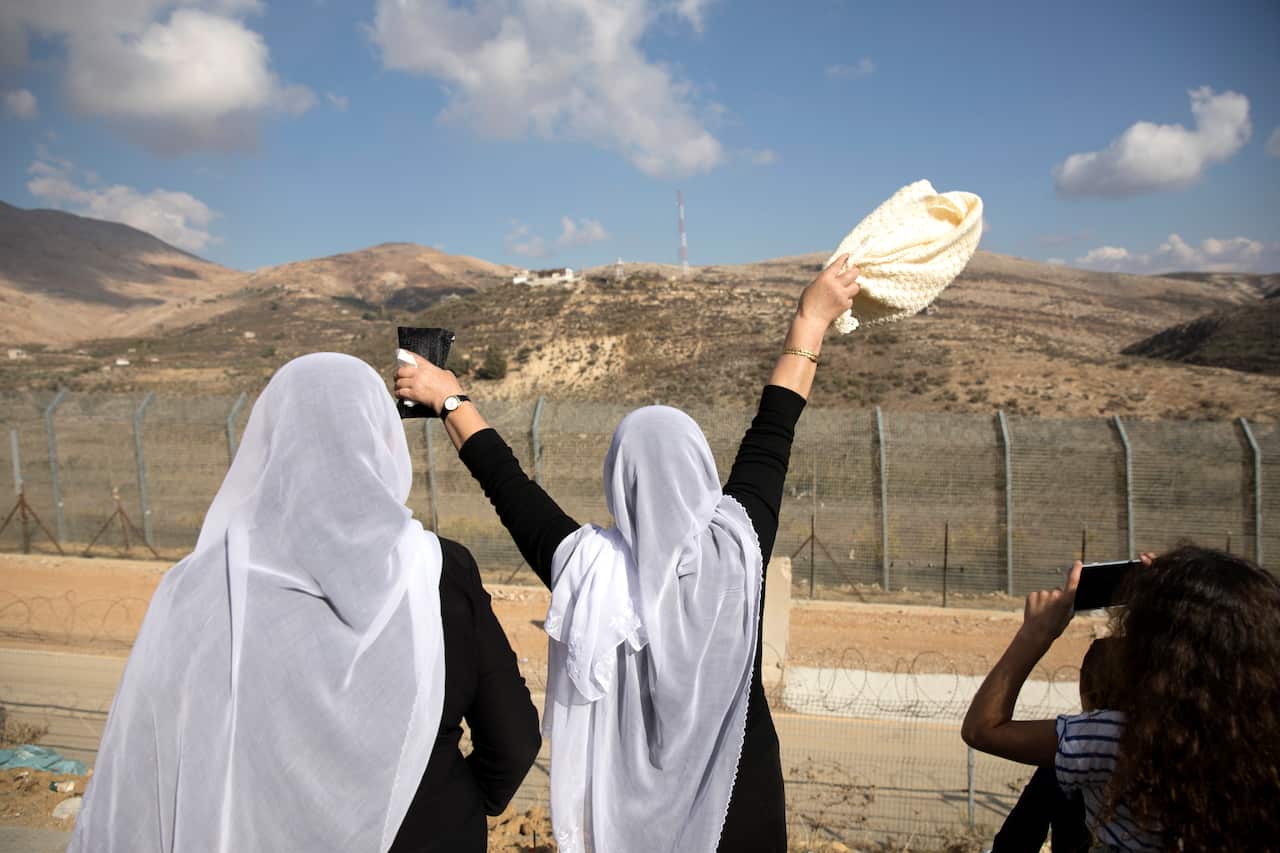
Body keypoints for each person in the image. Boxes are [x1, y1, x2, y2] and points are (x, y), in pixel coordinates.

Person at [394, 256, 862, 852]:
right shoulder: (740, 546)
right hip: (741, 813)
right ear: (703, 472)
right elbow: (775, 427)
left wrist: (450, 398)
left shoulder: (587, 567)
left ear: (620, 482)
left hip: (624, 827)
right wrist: (810, 318)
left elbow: (507, 483)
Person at [70, 353, 541, 853]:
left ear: (268, 445)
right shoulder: (438, 572)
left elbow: (157, 757)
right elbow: (512, 741)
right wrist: (451, 802)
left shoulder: (200, 585)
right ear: (381, 443)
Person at [962, 547, 1280, 851]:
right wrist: (1182, 593)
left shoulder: (1119, 740)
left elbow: (983, 729)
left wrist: (1036, 632)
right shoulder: (1262, 736)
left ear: (1158, 656)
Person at [990, 638, 1118, 853]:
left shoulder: (1071, 754)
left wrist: (1037, 631)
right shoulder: (1171, 750)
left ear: (1085, 689)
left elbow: (1014, 841)